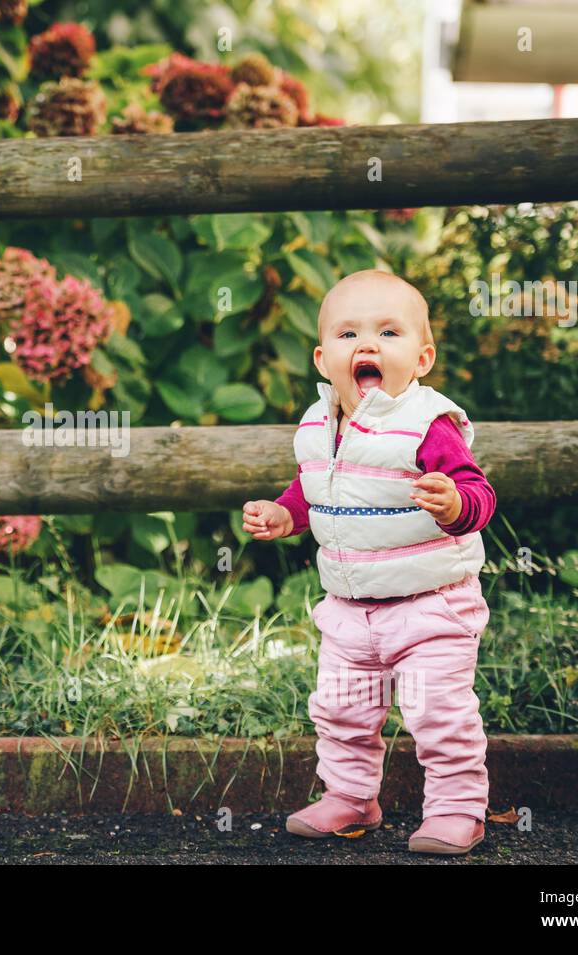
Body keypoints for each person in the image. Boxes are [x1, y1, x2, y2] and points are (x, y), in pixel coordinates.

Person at [243, 269, 497, 855]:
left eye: (388, 331)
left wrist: (455, 502)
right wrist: (284, 515)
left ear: (423, 356)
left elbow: (477, 495)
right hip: (349, 607)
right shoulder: (317, 425)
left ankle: (458, 808)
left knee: (439, 714)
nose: (367, 345)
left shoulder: (426, 423)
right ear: (322, 356)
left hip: (431, 603)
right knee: (341, 709)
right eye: (347, 332)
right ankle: (351, 796)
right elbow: (315, 488)